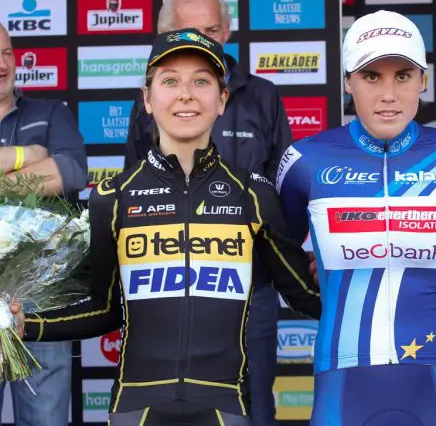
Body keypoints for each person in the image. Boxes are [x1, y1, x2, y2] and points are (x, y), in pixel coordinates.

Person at [14, 29, 320, 426]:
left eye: (201, 81)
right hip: (136, 407)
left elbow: (304, 295)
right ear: (147, 98)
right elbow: (105, 311)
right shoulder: (112, 197)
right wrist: (27, 325)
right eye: (170, 80)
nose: (186, 93)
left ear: (222, 99)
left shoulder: (253, 195)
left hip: (224, 406)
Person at [276, 10, 436, 426]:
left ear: (424, 80)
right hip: (343, 377)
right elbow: (277, 263)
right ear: (348, 81)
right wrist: (319, 291)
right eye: (371, 77)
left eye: (403, 75)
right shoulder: (305, 161)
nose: (388, 94)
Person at [124, 0, 291, 426]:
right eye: (190, 30)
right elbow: (130, 193)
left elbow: (285, 194)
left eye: (213, 31)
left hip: (250, 289)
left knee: (254, 406)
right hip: (164, 293)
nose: (204, 41)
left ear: (229, 32)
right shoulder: (151, 103)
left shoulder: (263, 96)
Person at [0, 22, 87, 426]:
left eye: (6, 53)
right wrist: (27, 155)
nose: (2, 64)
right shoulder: (35, 137)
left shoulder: (52, 112)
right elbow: (48, 171)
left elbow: (70, 173)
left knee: (45, 419)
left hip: (40, 292)